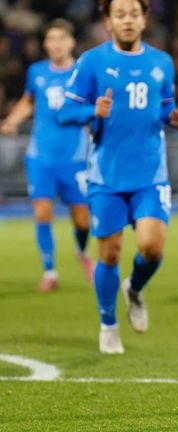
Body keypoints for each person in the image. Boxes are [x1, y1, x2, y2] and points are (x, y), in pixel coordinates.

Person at [58, 0, 178, 354]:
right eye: (120, 14)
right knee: (110, 252)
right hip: (106, 175)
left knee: (152, 247)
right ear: (108, 21)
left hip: (150, 173)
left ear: (144, 19)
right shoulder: (91, 62)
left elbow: (163, 107)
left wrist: (173, 116)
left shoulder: (161, 62)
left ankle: (134, 289)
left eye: (134, 13)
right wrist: (91, 109)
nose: (128, 20)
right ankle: (108, 323)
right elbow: (65, 111)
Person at [1, 19, 94, 292]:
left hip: (75, 157)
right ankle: (50, 272)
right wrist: (13, 119)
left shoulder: (83, 72)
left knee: (82, 219)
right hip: (40, 155)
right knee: (42, 212)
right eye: (51, 40)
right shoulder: (37, 72)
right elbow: (29, 101)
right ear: (45, 44)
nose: (55, 45)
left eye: (60, 39)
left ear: (71, 42)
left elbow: (94, 106)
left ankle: (81, 252)